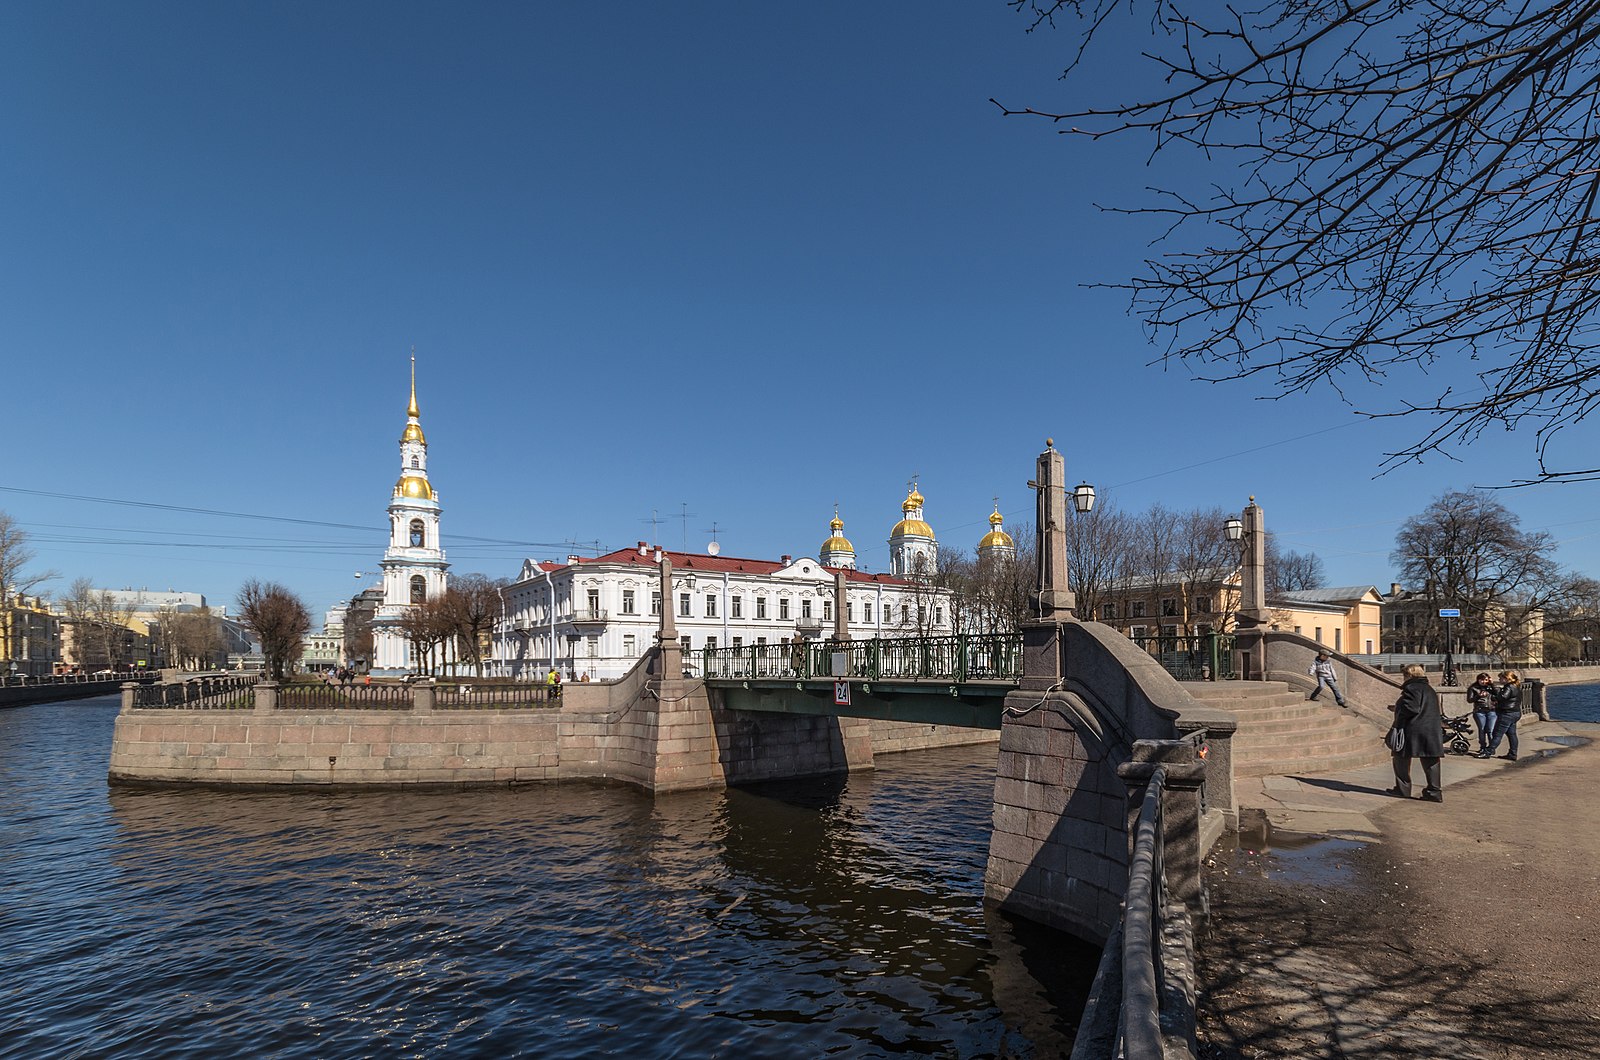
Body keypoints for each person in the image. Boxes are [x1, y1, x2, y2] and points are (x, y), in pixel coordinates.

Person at [1388, 663, 1444, 802]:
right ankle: (1434, 791)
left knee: (1400, 757)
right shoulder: (1428, 689)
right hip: (1430, 729)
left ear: (1409, 675)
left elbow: (1412, 708)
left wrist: (1398, 711)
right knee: (1431, 759)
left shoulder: (1412, 688)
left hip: (1412, 729)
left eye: (1405, 675)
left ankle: (1403, 789)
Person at [1479, 670, 1522, 761]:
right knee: (1512, 734)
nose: (1499, 679)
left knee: (1497, 734)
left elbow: (1502, 697)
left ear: (1506, 679)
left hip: (1507, 713)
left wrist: (1492, 697)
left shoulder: (1509, 687)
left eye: (1500, 678)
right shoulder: (1516, 685)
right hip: (1515, 712)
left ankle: (1488, 752)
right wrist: (1493, 687)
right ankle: (1513, 754)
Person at [1466, 672, 1496, 754]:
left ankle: (1491, 747)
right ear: (1478, 680)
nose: (1484, 682)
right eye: (1481, 680)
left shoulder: (1490, 687)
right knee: (1482, 729)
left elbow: (1497, 694)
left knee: (1490, 730)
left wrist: (1492, 685)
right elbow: (1469, 700)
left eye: (1485, 680)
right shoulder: (1473, 688)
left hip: (1491, 710)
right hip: (1480, 711)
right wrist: (1478, 696)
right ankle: (1482, 747)